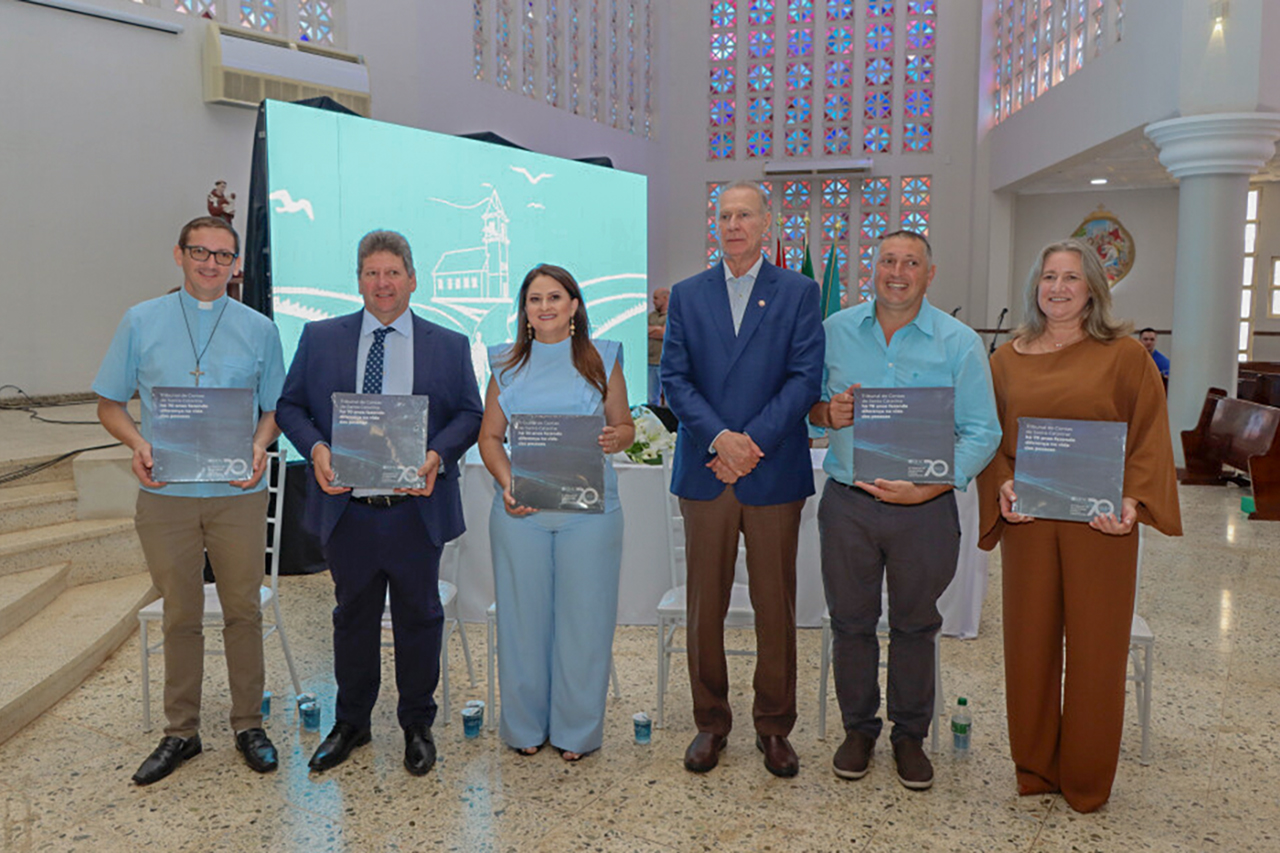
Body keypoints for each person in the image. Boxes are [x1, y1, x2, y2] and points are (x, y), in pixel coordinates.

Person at [977, 239, 1182, 812]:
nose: (1058, 288)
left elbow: (1149, 435)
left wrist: (1134, 501)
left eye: (1071, 277)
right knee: (1030, 646)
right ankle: (1036, 766)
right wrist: (1003, 484)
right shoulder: (1006, 360)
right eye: (1049, 277)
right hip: (1030, 522)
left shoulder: (1126, 356)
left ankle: (1087, 779)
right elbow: (990, 437)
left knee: (1096, 652)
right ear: (1035, 286)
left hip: (1101, 526)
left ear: (1093, 287)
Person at [275, 230, 483, 777]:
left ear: (412, 280)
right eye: (372, 273)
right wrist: (317, 449)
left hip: (415, 509)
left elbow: (470, 413)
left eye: (393, 272)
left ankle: (417, 724)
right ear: (359, 280)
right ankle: (352, 723)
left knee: (421, 617)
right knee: (352, 619)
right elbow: (290, 406)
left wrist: (437, 454)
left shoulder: (448, 344)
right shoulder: (321, 338)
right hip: (349, 511)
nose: (382, 283)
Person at [94, 216, 285, 785]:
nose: (211, 264)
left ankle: (249, 724)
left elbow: (275, 408)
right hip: (166, 494)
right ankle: (181, 731)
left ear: (236, 266)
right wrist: (137, 443)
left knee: (243, 610)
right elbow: (108, 403)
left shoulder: (260, 329)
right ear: (178, 255)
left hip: (237, 494)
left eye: (223, 256)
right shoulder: (140, 320)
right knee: (180, 613)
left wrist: (259, 444)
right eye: (200, 252)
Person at [807, 230, 1000, 791]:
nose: (898, 272)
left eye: (910, 262)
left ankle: (910, 736)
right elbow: (807, 405)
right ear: (873, 269)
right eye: (888, 261)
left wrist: (929, 488)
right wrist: (827, 413)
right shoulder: (834, 331)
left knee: (916, 624)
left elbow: (982, 432)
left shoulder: (959, 343)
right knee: (851, 622)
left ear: (929, 274)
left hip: (925, 509)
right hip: (849, 503)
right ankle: (859, 730)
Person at [660, 180, 824, 778]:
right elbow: (674, 379)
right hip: (707, 470)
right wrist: (721, 440)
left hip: (772, 468)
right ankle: (711, 722)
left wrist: (750, 443)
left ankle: (774, 726)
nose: (734, 225)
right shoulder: (688, 294)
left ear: (766, 223)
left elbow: (805, 378)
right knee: (704, 606)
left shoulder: (799, 292)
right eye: (725, 215)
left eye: (744, 215)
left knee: (774, 605)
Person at [477, 264, 635, 760]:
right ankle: (524, 727)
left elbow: (625, 427)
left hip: (590, 514)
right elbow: (490, 437)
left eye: (554, 297)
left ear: (574, 306)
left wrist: (615, 438)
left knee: (585, 621)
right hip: (520, 511)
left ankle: (576, 732)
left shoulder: (602, 358)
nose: (544, 307)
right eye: (534, 299)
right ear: (524, 311)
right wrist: (509, 483)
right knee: (521, 621)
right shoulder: (504, 364)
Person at [647, 287, 669, 406]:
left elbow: (664, 333)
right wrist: (658, 329)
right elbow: (642, 330)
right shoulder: (651, 316)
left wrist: (653, 330)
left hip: (665, 363)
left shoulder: (672, 315)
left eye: (656, 298)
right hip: (650, 362)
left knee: (669, 398)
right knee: (652, 398)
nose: (653, 301)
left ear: (665, 298)